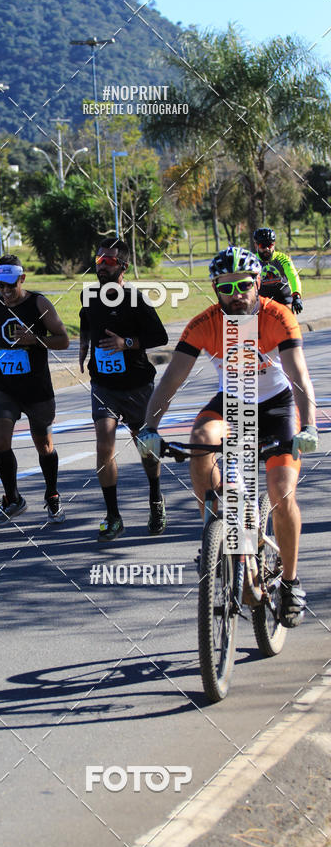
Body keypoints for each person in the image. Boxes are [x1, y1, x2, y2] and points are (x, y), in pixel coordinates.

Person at [138, 246, 318, 628]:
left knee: (281, 491)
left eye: (243, 285)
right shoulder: (204, 323)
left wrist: (309, 426)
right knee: (201, 438)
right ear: (215, 289)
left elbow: (299, 377)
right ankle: (216, 531)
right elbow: (171, 381)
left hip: (277, 407)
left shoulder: (278, 316)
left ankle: (290, 582)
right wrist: (149, 427)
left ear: (258, 283)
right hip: (233, 404)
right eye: (226, 287)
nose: (236, 294)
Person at [79, 238, 169, 541]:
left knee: (145, 447)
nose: (101, 266)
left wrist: (125, 343)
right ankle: (113, 516)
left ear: (123, 266)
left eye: (108, 261)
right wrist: (83, 348)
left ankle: (155, 498)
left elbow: (160, 336)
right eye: (98, 260)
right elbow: (85, 321)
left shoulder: (134, 299)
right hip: (103, 385)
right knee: (104, 446)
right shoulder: (88, 295)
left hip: (137, 385)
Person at [0, 254, 69, 526]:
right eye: (0, 286)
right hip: (5, 386)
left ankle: (52, 494)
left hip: (37, 388)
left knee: (44, 445)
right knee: (0, 441)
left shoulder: (39, 303)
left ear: (22, 278)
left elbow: (64, 340)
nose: (6, 291)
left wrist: (35, 340)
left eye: (11, 285)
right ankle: (13, 498)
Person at [253, 227, 303, 314]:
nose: (267, 249)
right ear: (256, 245)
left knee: (288, 320)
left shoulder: (283, 259)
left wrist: (296, 295)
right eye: (262, 246)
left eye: (269, 245)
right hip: (262, 303)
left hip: (284, 300)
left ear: (274, 244)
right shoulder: (252, 261)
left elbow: (293, 277)